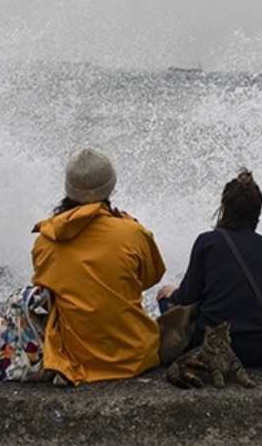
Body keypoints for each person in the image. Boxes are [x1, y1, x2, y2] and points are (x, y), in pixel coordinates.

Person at [30, 147, 165, 385]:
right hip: (135, 356)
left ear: (68, 188)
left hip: (76, 359)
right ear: (110, 186)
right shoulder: (132, 232)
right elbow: (150, 278)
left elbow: (47, 289)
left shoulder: (45, 240)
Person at [156, 167, 262, 368]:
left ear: (224, 207)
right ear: (257, 211)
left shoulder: (207, 242)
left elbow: (188, 296)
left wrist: (173, 293)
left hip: (208, 347)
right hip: (256, 350)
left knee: (165, 301)